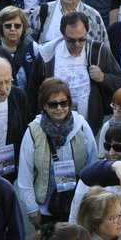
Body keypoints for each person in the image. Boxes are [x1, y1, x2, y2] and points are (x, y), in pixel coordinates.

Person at [18, 77, 99, 226]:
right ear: (44, 106)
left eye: (64, 103)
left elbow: (93, 163)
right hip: (45, 207)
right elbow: (25, 173)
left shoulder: (81, 125)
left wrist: (91, 199)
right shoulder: (33, 131)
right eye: (53, 104)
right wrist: (31, 208)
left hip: (77, 203)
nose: (59, 108)